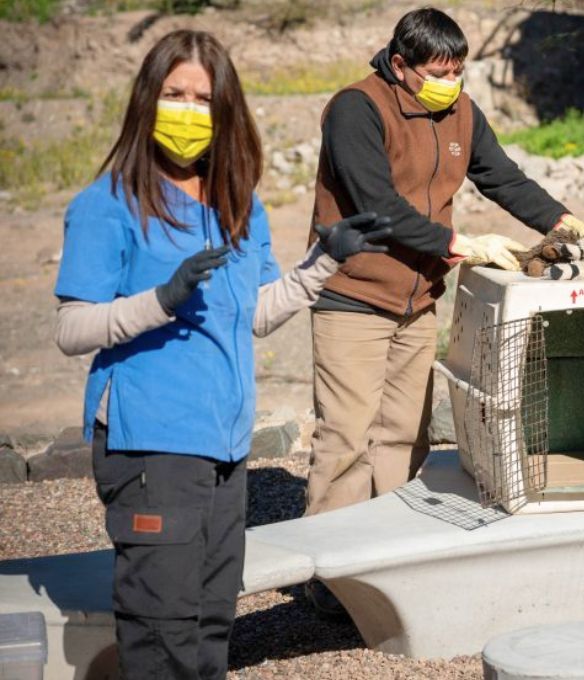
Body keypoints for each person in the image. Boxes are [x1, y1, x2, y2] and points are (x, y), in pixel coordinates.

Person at [53, 30, 390, 678]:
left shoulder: (241, 206)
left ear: (226, 109)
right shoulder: (109, 204)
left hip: (225, 448)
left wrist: (324, 262)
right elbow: (72, 329)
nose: (187, 110)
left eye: (202, 98)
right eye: (173, 94)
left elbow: (257, 313)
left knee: (211, 627)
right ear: (146, 101)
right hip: (151, 445)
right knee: (163, 635)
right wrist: (162, 299)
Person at [301, 7, 584, 611]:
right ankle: (329, 578)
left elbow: (503, 177)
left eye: (459, 69)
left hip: (419, 301)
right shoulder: (355, 109)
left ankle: (389, 561)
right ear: (400, 65)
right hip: (355, 296)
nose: (451, 81)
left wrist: (563, 221)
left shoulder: (461, 110)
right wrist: (462, 244)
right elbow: (376, 204)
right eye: (438, 70)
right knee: (345, 439)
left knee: (401, 438)